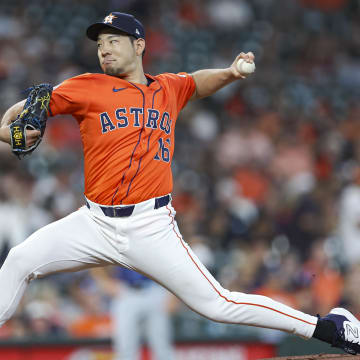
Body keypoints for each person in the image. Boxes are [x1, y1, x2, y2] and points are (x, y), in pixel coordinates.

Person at [0, 11, 359, 356]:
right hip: (94, 223)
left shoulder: (168, 88)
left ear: (139, 46)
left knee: (218, 304)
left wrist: (231, 73)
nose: (104, 49)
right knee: (19, 260)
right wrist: (8, 131)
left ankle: (328, 327)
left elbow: (197, 82)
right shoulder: (85, 86)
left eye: (114, 40)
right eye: (100, 44)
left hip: (149, 226)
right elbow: (22, 110)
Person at [91, 267, 175, 360]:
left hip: (155, 289)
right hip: (125, 290)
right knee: (125, 347)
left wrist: (173, 295)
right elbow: (96, 262)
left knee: (162, 345)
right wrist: (104, 282)